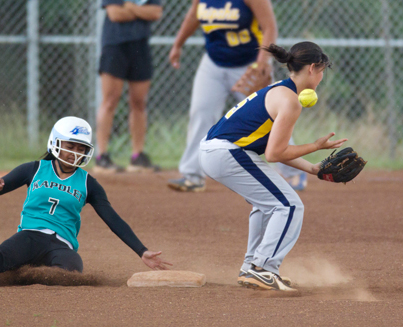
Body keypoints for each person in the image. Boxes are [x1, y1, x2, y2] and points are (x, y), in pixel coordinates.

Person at [0, 116, 172, 288]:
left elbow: (112, 219)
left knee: (73, 270)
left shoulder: (88, 183)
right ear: (55, 142)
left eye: (80, 148)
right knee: (1, 254)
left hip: (61, 245)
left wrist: (141, 251)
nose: (74, 153)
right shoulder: (34, 169)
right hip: (30, 236)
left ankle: (23, 273)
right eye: (70, 146)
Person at [199, 42, 344, 291]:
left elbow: (275, 148)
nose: (321, 77)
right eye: (322, 71)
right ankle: (264, 268)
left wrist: (312, 168)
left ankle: (251, 268)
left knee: (268, 206)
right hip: (226, 153)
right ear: (312, 68)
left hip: (220, 151)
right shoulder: (290, 101)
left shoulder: (280, 90)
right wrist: (315, 145)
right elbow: (275, 154)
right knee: (289, 206)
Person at [167, 0, 308, 192]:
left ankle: (293, 172)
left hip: (249, 64)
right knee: (201, 112)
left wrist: (261, 63)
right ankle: (192, 175)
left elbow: (269, 27)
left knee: (272, 117)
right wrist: (178, 44)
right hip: (213, 63)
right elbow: (193, 16)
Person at [94, 0, 163, 173]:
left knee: (139, 102)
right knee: (110, 100)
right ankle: (102, 156)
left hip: (140, 46)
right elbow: (115, 14)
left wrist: (130, 7)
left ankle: (137, 156)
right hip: (115, 45)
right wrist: (141, 11)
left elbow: (156, 13)